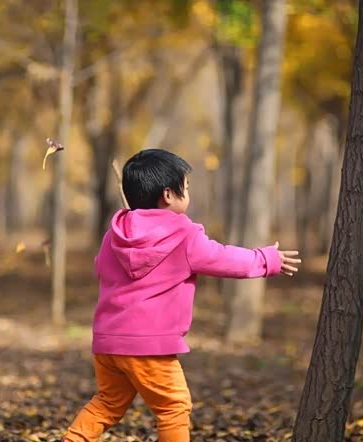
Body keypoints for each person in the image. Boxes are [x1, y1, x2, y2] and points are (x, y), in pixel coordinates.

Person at [63, 149, 301, 442]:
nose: (188, 192)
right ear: (168, 194)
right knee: (173, 407)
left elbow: (100, 267)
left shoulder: (115, 234)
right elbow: (223, 258)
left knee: (107, 403)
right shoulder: (183, 235)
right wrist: (266, 259)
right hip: (148, 346)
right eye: (185, 187)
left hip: (108, 342)